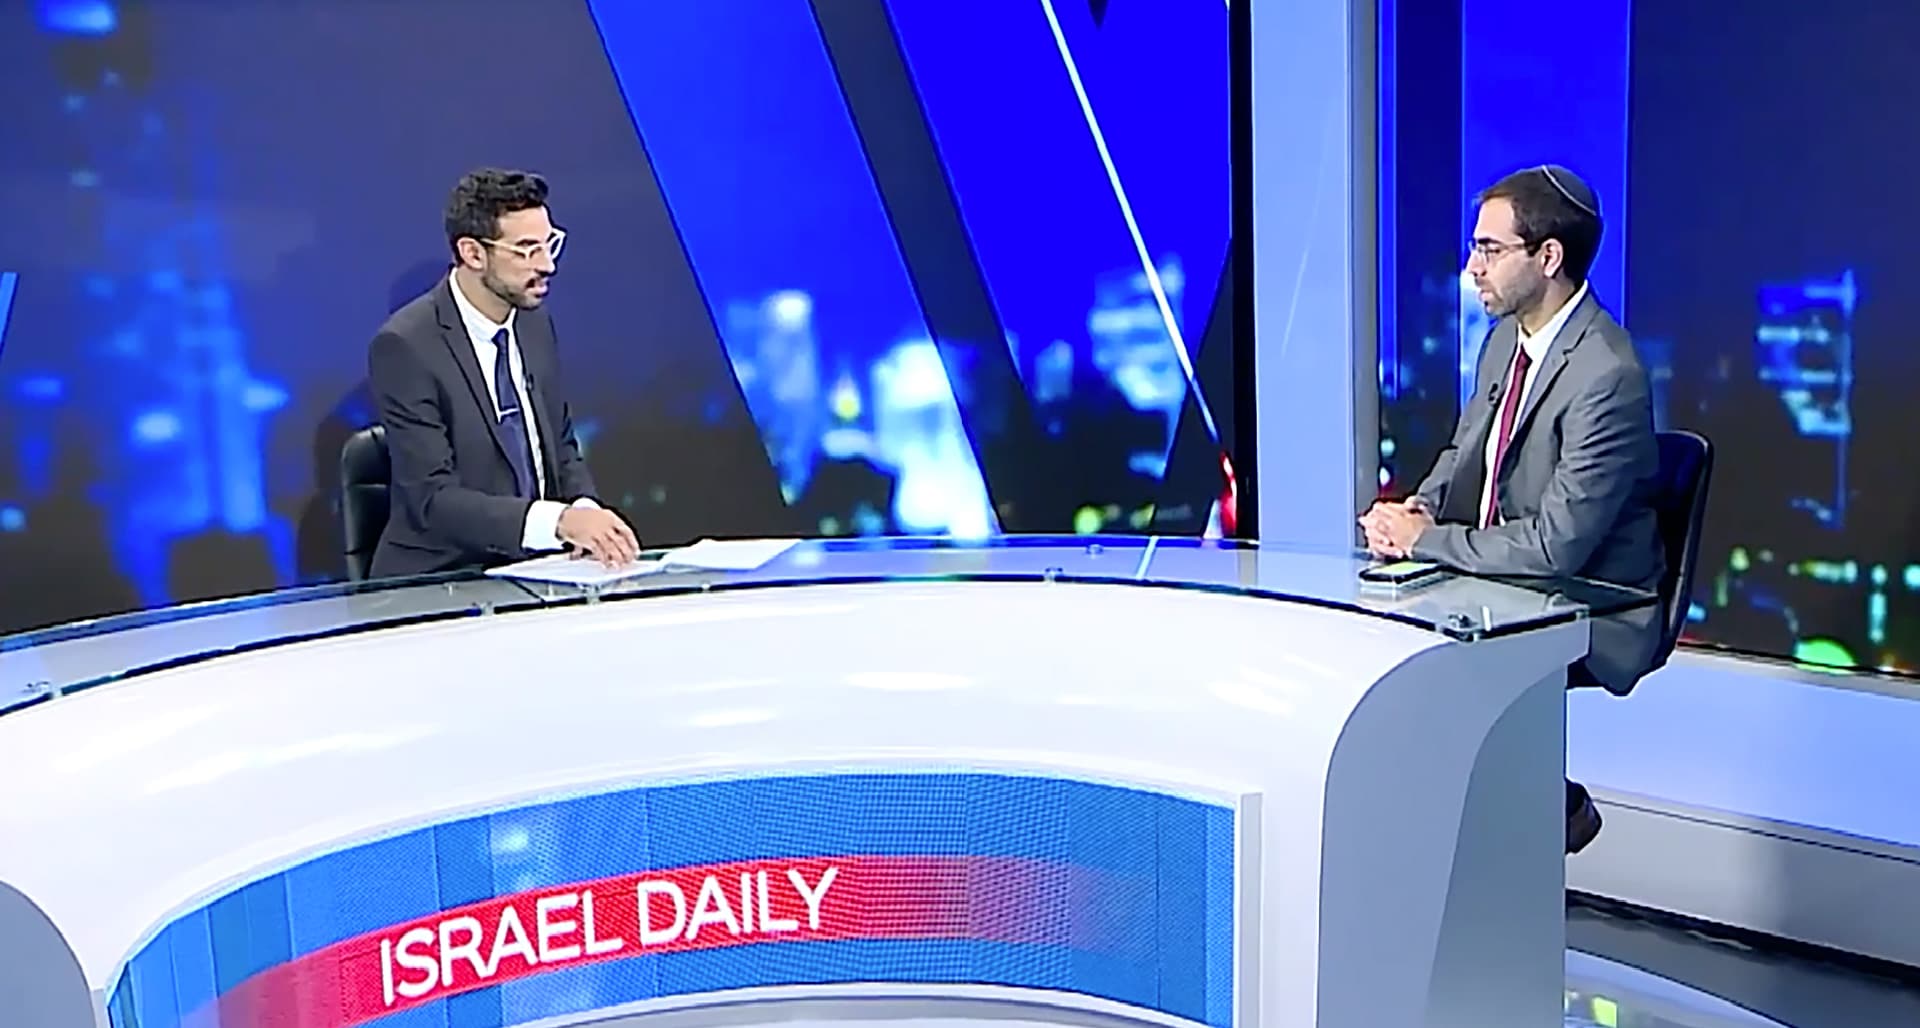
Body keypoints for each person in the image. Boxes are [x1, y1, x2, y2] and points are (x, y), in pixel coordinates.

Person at [1359, 164, 1663, 854]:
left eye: (1490, 250)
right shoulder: (1506, 342)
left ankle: (1545, 812)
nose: (1473, 268)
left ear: (1548, 257)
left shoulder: (1607, 374)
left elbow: (1557, 548)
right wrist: (1414, 509)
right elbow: (1465, 451)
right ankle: (1499, 829)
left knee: (1433, 679)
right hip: (1503, 583)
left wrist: (1424, 541)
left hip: (1586, 602)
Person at [366, 168, 639, 577]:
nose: (547, 265)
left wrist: (584, 511)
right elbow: (432, 499)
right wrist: (559, 522)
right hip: (443, 579)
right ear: (473, 254)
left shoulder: (534, 323)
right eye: (527, 250)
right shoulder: (406, 346)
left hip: (540, 568)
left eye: (549, 244)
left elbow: (561, 445)